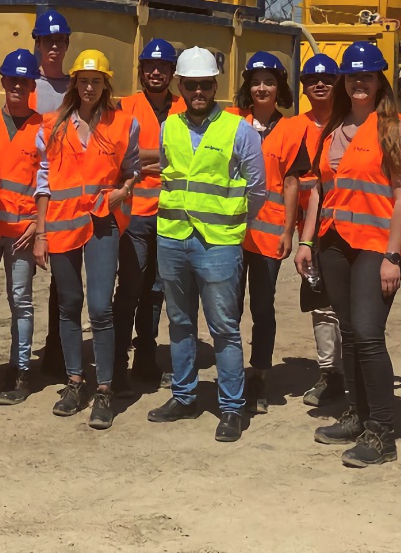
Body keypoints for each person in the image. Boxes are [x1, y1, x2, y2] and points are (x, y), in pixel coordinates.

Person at [291, 41, 401, 469]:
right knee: (348, 333)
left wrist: (393, 256)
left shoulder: (395, 129)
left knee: (367, 334)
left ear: (379, 80)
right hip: (334, 243)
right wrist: (307, 241)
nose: (359, 82)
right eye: (352, 76)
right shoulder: (333, 129)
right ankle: (357, 414)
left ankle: (382, 432)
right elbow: (319, 192)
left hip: (374, 246)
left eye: (366, 75)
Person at [145, 47, 266, 443]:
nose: (198, 91)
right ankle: (184, 396)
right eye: (191, 85)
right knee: (180, 324)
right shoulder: (169, 128)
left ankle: (232, 407)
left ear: (216, 86)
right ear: (181, 86)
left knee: (224, 328)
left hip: (218, 244)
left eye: (205, 85)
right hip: (174, 239)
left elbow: (258, 189)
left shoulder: (239, 130)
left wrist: (234, 225)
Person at [36, 49, 141, 429]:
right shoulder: (52, 126)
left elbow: (132, 171)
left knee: (99, 307)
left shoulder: (123, 124)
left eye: (97, 81)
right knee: (68, 303)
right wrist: (41, 233)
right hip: (63, 222)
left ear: (105, 84)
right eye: (84, 80)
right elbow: (43, 184)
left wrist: (123, 192)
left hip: (102, 222)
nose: (90, 87)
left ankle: (104, 390)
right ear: (75, 84)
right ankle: (75, 382)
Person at [234, 51, 311, 416]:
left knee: (262, 308)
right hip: (231, 233)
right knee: (227, 307)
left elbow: (293, 183)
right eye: (256, 81)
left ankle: (259, 375)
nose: (262, 88)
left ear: (279, 87)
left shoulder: (293, 129)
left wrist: (288, 231)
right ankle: (232, 373)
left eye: (269, 82)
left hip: (268, 236)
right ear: (247, 86)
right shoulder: (233, 122)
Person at [0, 49, 46, 405]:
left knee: (21, 300)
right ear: (3, 82)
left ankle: (19, 369)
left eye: (24, 80)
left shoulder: (43, 127)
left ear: (34, 84)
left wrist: (39, 225)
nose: (18, 85)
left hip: (22, 232)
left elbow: (51, 182)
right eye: (12, 79)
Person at [113, 38, 182, 393]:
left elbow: (187, 159)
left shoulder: (185, 109)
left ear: (171, 72)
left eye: (162, 67)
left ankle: (145, 356)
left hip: (172, 214)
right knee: (130, 287)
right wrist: (164, 158)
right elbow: (123, 156)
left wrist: (148, 158)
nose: (156, 72)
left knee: (157, 290)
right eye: (149, 66)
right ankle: (117, 362)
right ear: (141, 70)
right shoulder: (125, 107)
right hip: (134, 214)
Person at [294, 53, 345, 405]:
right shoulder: (295, 128)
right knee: (322, 307)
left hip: (354, 230)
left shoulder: (356, 123)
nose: (320, 84)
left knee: (354, 308)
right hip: (313, 232)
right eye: (312, 79)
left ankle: (357, 374)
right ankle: (330, 375)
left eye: (328, 78)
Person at [30, 9, 72, 379]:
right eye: (48, 41)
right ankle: (19, 359)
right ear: (37, 44)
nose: (54, 47)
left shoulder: (76, 89)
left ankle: (56, 352)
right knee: (18, 287)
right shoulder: (26, 84)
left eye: (60, 41)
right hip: (23, 196)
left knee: (62, 282)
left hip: (60, 198)